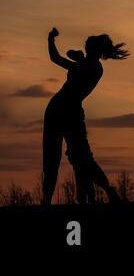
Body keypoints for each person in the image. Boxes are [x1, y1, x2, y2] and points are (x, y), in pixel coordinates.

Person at [42, 27, 128, 205]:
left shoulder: (93, 67)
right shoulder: (88, 64)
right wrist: (56, 43)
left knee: (78, 158)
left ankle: (102, 191)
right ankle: (50, 199)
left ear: (95, 50)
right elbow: (60, 57)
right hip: (61, 111)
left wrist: (68, 51)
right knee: (61, 157)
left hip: (66, 112)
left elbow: (63, 60)